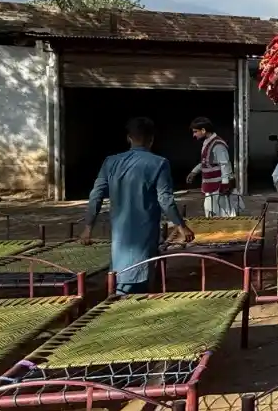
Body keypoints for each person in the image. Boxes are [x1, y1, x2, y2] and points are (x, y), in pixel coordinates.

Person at [80, 117, 195, 294]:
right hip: (145, 232)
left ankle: (120, 298)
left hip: (120, 233)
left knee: (120, 273)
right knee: (142, 274)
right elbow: (165, 199)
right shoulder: (159, 163)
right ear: (152, 139)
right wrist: (181, 226)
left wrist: (88, 227)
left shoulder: (110, 162)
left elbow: (96, 195)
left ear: (129, 138)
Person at [187, 117, 241, 217]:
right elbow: (206, 162)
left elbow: (225, 164)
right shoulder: (208, 143)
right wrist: (194, 172)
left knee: (222, 215)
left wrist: (225, 184)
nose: (194, 135)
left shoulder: (218, 145)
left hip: (219, 189)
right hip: (211, 188)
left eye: (195, 132)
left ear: (203, 130)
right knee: (211, 213)